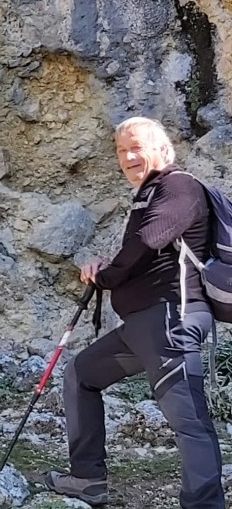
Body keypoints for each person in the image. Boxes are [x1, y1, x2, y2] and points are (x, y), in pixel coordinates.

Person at [45, 117, 225, 508]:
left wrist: (107, 276)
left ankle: (204, 503)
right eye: (121, 150)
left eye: (136, 148)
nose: (128, 157)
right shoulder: (151, 193)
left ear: (162, 149)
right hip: (144, 325)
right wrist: (106, 267)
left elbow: (149, 239)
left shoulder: (179, 186)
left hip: (170, 319)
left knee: (188, 419)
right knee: (81, 373)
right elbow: (146, 250)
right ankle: (87, 479)